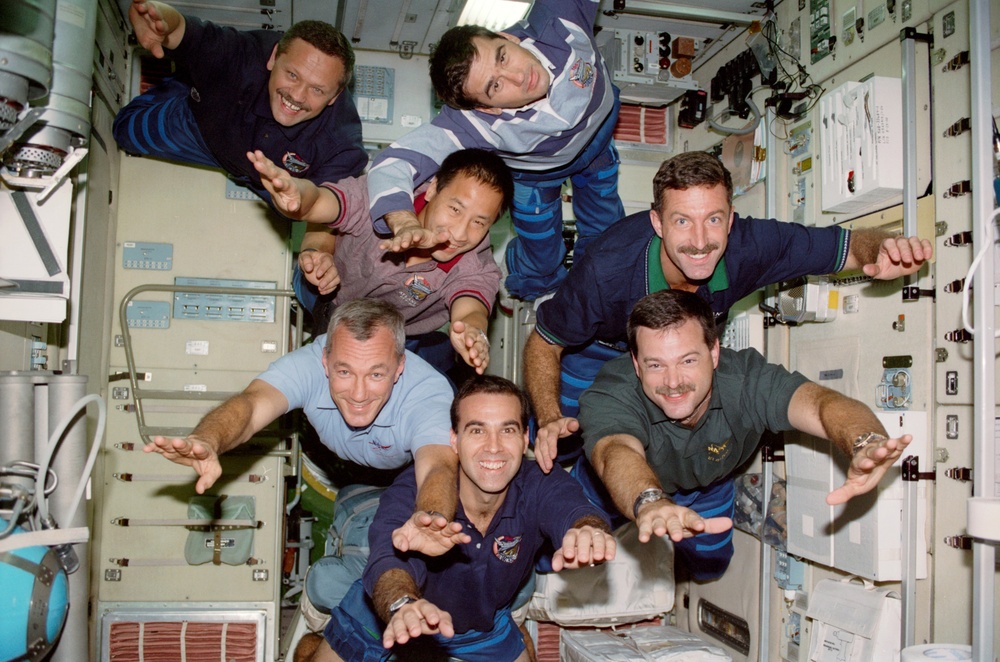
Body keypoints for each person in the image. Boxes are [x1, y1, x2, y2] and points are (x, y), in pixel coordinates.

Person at [525, 150, 934, 471]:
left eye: (713, 219)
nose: (700, 241)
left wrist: (882, 249)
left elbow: (844, 245)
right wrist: (547, 419)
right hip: (598, 343)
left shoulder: (749, 245)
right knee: (562, 439)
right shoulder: (604, 272)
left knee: (630, 446)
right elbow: (543, 344)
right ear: (657, 222)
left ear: (731, 220)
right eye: (682, 221)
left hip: (670, 358)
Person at [144, 299, 463, 603]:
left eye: (376, 374)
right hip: (341, 459)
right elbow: (252, 405)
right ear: (325, 361)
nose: (358, 392)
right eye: (344, 372)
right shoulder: (307, 365)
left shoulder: (427, 395)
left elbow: (439, 466)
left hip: (403, 467)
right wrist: (209, 438)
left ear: (399, 367)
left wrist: (431, 516)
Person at [579, 289, 911, 581]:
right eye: (655, 365)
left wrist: (864, 440)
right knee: (568, 553)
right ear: (636, 365)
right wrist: (650, 502)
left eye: (688, 360)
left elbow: (821, 403)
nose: (673, 381)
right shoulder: (614, 391)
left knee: (710, 566)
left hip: (710, 482)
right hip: (618, 487)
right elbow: (616, 452)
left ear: (714, 353)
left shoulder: (747, 380)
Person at [296, 375, 615, 662]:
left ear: (523, 439)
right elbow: (387, 564)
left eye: (507, 430)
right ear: (454, 439)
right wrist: (402, 605)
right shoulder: (412, 488)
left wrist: (589, 530)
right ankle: (314, 639)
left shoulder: (540, 482)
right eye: (477, 430)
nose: (494, 448)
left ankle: (513, 629)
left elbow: (576, 510)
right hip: (385, 616)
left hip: (479, 623)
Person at [366, 0, 624, 303]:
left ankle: (599, 292)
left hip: (598, 144)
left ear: (507, 37)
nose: (517, 76)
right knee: (541, 257)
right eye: (495, 86)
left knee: (608, 234)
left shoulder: (558, 17)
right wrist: (404, 221)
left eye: (503, 57)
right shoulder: (468, 122)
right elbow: (391, 164)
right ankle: (534, 290)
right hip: (536, 175)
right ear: (488, 107)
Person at [248, 148, 513, 376]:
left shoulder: (476, 264)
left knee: (422, 368)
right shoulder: (382, 194)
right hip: (323, 295)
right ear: (432, 189)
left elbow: (470, 309)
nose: (459, 233)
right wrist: (301, 203)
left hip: (397, 331)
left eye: (479, 222)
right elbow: (322, 203)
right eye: (455, 209)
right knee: (325, 370)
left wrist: (471, 331)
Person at [113, 0, 367, 204]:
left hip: (276, 184)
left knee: (295, 211)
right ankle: (186, 84)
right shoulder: (243, 55)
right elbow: (184, 31)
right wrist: (162, 21)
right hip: (202, 132)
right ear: (273, 57)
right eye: (292, 75)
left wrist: (299, 199)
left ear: (335, 95)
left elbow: (326, 208)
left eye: (317, 90)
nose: (298, 96)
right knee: (124, 131)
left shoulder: (343, 143)